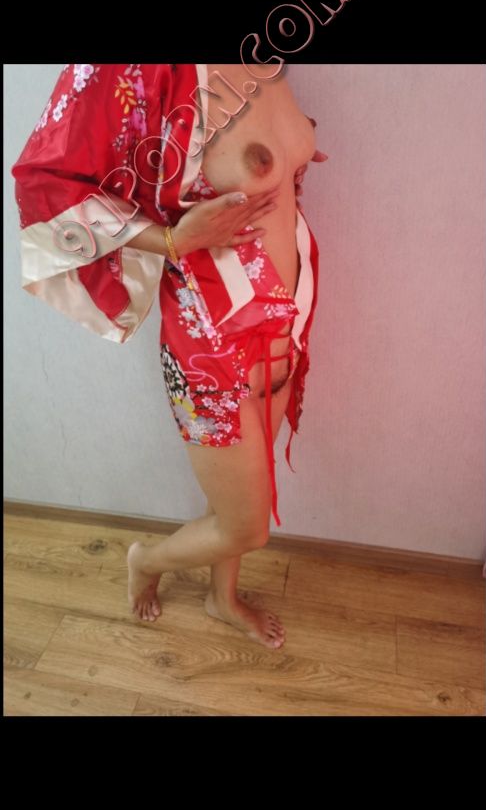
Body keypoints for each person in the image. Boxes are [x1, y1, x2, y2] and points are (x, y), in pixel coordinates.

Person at [12, 62, 328, 649]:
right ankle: (147, 560)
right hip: (209, 341)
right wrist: (173, 239)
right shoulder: (127, 69)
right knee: (248, 526)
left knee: (234, 494)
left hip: (286, 316)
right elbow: (47, 184)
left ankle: (221, 598)